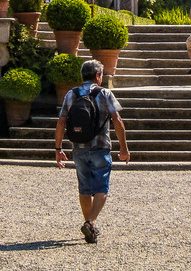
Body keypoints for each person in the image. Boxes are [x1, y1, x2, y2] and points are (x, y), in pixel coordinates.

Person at [55, 58, 130, 243]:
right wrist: (124, 148)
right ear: (98, 76)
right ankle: (90, 222)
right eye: (102, 74)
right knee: (101, 187)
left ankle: (90, 227)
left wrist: (58, 148)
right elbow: (117, 121)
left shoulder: (71, 94)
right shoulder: (104, 93)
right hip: (100, 147)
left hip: (78, 148)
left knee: (84, 188)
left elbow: (61, 122)